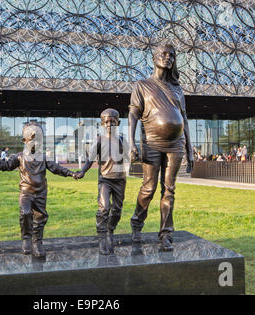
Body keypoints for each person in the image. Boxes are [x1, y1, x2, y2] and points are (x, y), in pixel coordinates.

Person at [128, 43, 193, 251]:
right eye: (163, 54)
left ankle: (166, 233)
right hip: (152, 143)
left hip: (176, 145)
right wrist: (131, 143)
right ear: (154, 57)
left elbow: (185, 119)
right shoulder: (142, 85)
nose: (168, 58)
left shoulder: (177, 89)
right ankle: (137, 222)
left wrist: (190, 150)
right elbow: (133, 114)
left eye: (171, 55)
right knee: (149, 187)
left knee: (169, 190)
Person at [0, 122, 78, 258]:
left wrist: (71, 173)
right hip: (26, 193)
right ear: (24, 140)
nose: (36, 142)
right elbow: (5, 166)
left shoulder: (43, 157)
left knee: (40, 218)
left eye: (39, 139)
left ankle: (37, 242)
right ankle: (26, 238)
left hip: (41, 193)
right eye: (33, 138)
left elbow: (57, 168)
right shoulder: (19, 156)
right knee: (25, 213)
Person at [75, 108, 129, 255]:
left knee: (117, 211)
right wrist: (82, 171)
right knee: (104, 208)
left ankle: (111, 229)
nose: (110, 124)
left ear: (118, 122)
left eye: (113, 121)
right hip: (105, 180)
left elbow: (129, 157)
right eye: (107, 121)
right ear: (102, 123)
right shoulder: (99, 140)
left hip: (120, 180)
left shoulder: (122, 140)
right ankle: (102, 237)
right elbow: (90, 159)